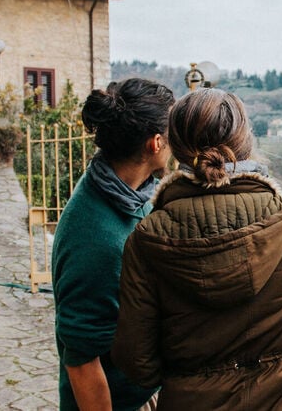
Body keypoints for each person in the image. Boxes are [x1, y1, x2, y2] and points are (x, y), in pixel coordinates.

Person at [111, 88, 282, 410]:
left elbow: (136, 362)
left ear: (177, 149)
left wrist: (185, 374)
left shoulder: (146, 241)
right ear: (245, 142)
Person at [51, 78, 174, 411]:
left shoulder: (126, 191)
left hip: (139, 389)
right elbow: (81, 360)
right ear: (156, 142)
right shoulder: (97, 238)